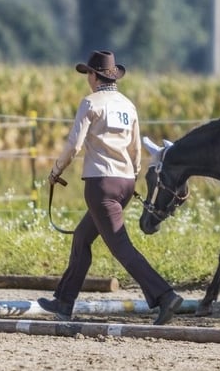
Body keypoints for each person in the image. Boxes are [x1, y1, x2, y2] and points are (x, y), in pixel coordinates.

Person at [38, 50, 183, 325]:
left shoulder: (90, 103)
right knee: (82, 237)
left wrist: (56, 171)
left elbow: (74, 145)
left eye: (88, 74)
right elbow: (136, 149)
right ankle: (64, 301)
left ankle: (165, 296)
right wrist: (132, 176)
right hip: (125, 182)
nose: (87, 79)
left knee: (121, 248)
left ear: (94, 76)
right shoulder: (128, 106)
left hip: (101, 185)